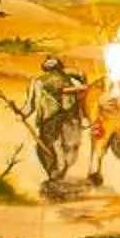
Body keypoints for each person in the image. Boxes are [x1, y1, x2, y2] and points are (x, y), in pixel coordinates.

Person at [22, 55, 88, 185]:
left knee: (49, 148)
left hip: (51, 120)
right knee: (67, 148)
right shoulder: (71, 80)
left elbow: (31, 104)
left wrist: (22, 114)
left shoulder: (38, 82)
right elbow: (83, 87)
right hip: (70, 120)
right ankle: (58, 173)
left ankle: (56, 174)